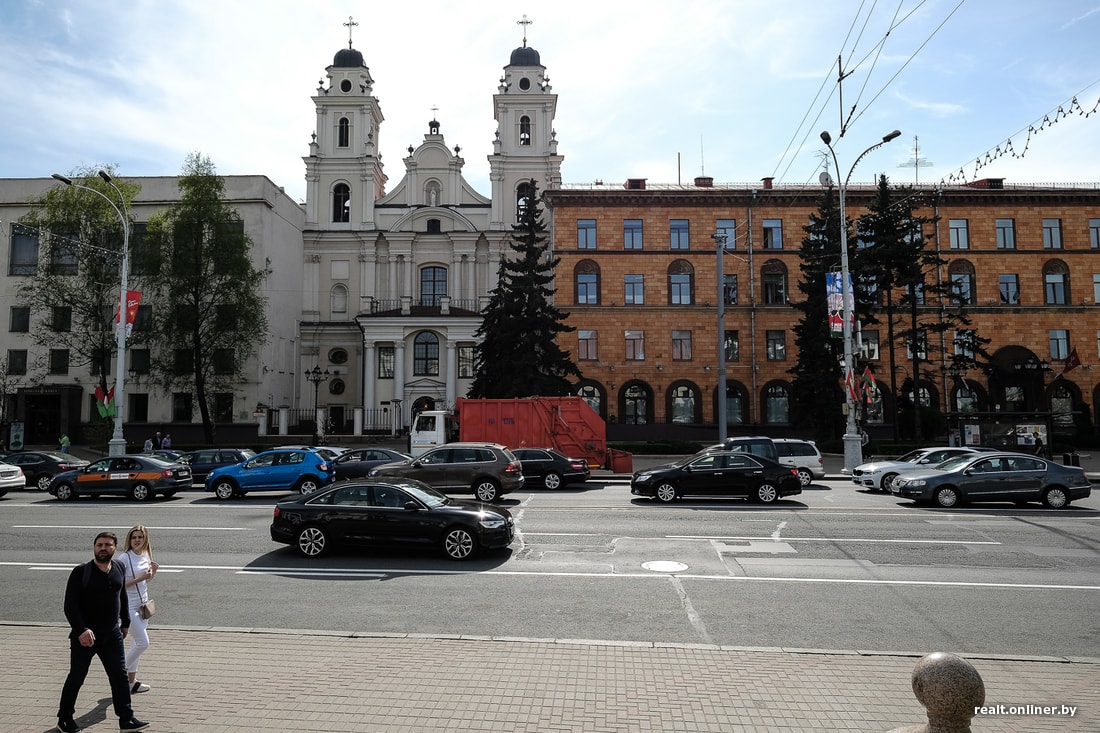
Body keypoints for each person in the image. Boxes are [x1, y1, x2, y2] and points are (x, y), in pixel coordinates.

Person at [57, 531, 150, 733]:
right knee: (77, 676)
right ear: (94, 547)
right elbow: (70, 606)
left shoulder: (118, 566)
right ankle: (64, 718)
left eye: (108, 545)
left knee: (119, 676)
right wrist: (81, 629)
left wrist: (125, 622)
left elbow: (122, 596)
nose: (103, 548)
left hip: (111, 635)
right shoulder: (81, 572)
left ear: (114, 548)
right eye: (99, 545)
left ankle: (126, 718)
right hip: (85, 638)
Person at [120, 525, 158, 695]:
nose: (137, 540)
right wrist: (140, 578)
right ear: (129, 539)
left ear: (145, 539)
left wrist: (152, 573)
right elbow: (117, 585)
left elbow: (146, 581)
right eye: (134, 537)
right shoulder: (124, 558)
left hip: (143, 606)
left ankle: (131, 682)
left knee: (137, 643)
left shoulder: (145, 554)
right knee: (143, 642)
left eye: (140, 537)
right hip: (129, 606)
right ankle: (118, 675)